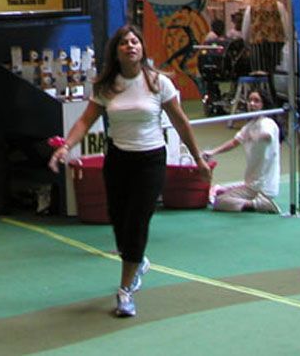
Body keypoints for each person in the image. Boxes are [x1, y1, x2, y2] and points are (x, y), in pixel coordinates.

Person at [49, 25, 210, 318]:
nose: (131, 46)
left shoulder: (159, 83)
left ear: (142, 49)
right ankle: (137, 259)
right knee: (120, 221)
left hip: (150, 161)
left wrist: (198, 159)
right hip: (118, 160)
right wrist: (66, 146)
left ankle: (125, 291)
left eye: (135, 41)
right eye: (124, 43)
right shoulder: (106, 87)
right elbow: (85, 121)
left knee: (137, 221)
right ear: (117, 51)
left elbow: (181, 122)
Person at [201, 88, 280, 214]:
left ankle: (258, 204)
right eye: (250, 100)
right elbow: (234, 142)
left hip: (261, 187)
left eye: (256, 101)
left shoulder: (267, 122)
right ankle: (255, 200)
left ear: (263, 104)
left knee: (220, 201)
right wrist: (213, 152)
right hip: (251, 184)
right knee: (218, 189)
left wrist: (255, 137)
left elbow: (267, 135)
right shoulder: (249, 126)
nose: (252, 104)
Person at [242, 0, 290, 73]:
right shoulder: (279, 6)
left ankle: (260, 87)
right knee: (276, 72)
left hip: (257, 44)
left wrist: (247, 44)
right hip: (276, 43)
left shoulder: (251, 8)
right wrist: (287, 42)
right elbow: (286, 26)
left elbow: (246, 29)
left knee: (259, 74)